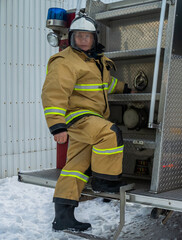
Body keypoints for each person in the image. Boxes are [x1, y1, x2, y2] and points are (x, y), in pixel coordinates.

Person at [41, 14, 131, 231]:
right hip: (78, 118)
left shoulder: (95, 61)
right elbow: (54, 93)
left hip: (91, 118)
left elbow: (104, 84)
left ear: (93, 38)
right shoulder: (65, 61)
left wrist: (126, 89)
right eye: (78, 36)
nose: (82, 40)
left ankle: (63, 217)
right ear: (71, 38)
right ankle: (105, 181)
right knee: (109, 132)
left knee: (75, 167)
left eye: (86, 36)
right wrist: (57, 126)